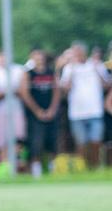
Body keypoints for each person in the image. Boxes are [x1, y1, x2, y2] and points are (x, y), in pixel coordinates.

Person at [58, 42, 110, 168]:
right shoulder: (69, 68)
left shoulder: (95, 65)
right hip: (77, 112)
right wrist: (71, 70)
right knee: (81, 143)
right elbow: (65, 89)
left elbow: (106, 84)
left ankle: (95, 166)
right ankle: (83, 167)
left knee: (95, 141)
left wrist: (97, 69)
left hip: (94, 110)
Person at [19, 49, 61, 177]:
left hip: (50, 113)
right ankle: (36, 171)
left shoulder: (50, 72)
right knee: (36, 142)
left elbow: (56, 91)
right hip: (35, 115)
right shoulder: (28, 74)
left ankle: (52, 169)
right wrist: (37, 111)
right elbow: (24, 93)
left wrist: (52, 109)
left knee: (52, 141)